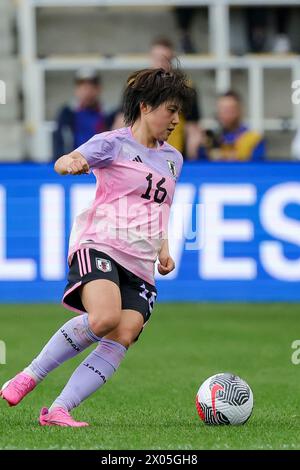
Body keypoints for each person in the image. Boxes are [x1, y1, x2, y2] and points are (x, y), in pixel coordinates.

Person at [0, 67, 194, 427]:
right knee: (105, 318)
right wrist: (72, 163)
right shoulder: (112, 143)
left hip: (141, 263)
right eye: (170, 110)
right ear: (146, 107)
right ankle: (28, 376)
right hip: (101, 244)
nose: (175, 120)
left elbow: (159, 209)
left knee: (124, 332)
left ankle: (59, 409)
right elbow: (66, 160)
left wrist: (164, 249)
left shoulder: (174, 159)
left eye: (179, 112)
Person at [110, 37, 202, 161]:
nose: (161, 64)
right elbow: (122, 120)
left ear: (172, 60)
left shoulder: (186, 87)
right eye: (157, 59)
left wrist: (193, 157)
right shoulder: (135, 84)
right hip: (139, 155)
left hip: (172, 155)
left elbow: (192, 126)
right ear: (150, 58)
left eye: (166, 59)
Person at [53, 67, 108, 160]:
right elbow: (59, 142)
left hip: (101, 164)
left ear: (98, 88)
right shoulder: (67, 112)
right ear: (76, 89)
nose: (87, 90)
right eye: (82, 85)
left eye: (91, 85)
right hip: (74, 165)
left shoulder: (109, 113)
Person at [199, 90, 265, 162]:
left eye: (230, 109)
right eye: (222, 109)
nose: (225, 114)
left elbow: (257, 167)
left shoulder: (253, 138)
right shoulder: (209, 139)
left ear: (239, 110)